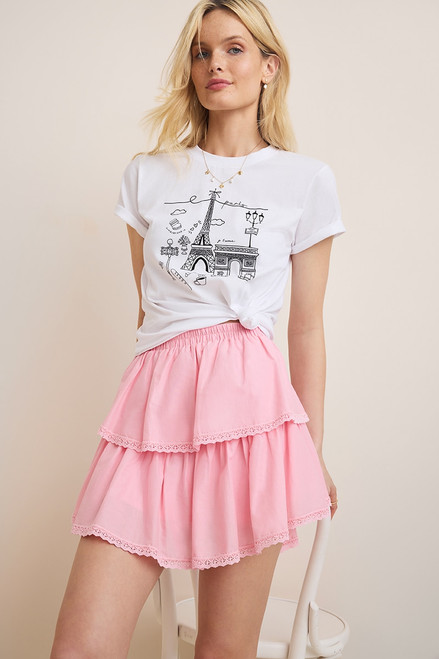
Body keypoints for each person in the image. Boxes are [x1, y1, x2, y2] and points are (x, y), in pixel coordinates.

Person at [50, 0, 346, 657]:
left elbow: (305, 331)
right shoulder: (148, 175)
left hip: (250, 419)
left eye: (234, 48)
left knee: (221, 650)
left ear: (269, 66)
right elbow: (150, 313)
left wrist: (309, 450)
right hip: (152, 414)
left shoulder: (304, 181)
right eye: (201, 51)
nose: (215, 63)